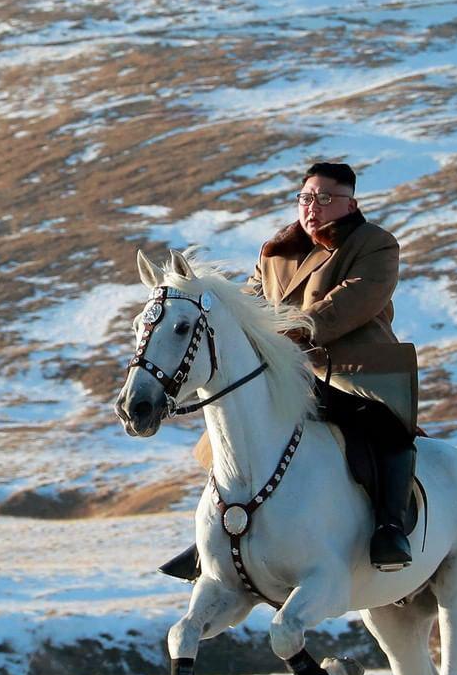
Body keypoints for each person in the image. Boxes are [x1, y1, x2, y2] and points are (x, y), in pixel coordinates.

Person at [160, 160, 418, 582]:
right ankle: (219, 534)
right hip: (286, 373)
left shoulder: (375, 245)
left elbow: (351, 302)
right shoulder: (275, 251)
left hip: (351, 372)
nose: (312, 207)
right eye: (305, 198)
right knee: (228, 438)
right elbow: (249, 305)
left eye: (324, 199)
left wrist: (289, 331)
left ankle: (390, 528)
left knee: (384, 431)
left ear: (349, 204)